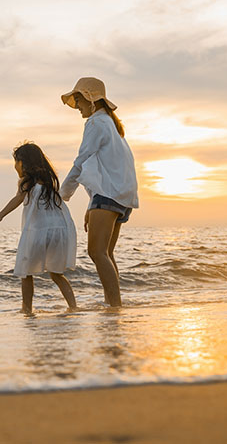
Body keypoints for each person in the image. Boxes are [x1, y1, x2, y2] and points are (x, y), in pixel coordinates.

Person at [59, 77, 138, 308]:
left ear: (91, 100)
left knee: (96, 252)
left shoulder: (96, 124)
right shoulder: (112, 127)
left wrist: (62, 194)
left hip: (109, 196)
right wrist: (92, 203)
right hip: (122, 196)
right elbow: (107, 170)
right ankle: (114, 305)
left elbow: (81, 161)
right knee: (107, 253)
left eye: (78, 99)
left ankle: (114, 305)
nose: (77, 106)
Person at [0, 142, 78, 314]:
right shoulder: (50, 180)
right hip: (60, 230)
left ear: (23, 162)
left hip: (39, 231)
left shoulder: (27, 181)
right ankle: (73, 307)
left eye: (16, 162)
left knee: (26, 272)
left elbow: (18, 199)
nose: (15, 166)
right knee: (57, 274)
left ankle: (27, 309)